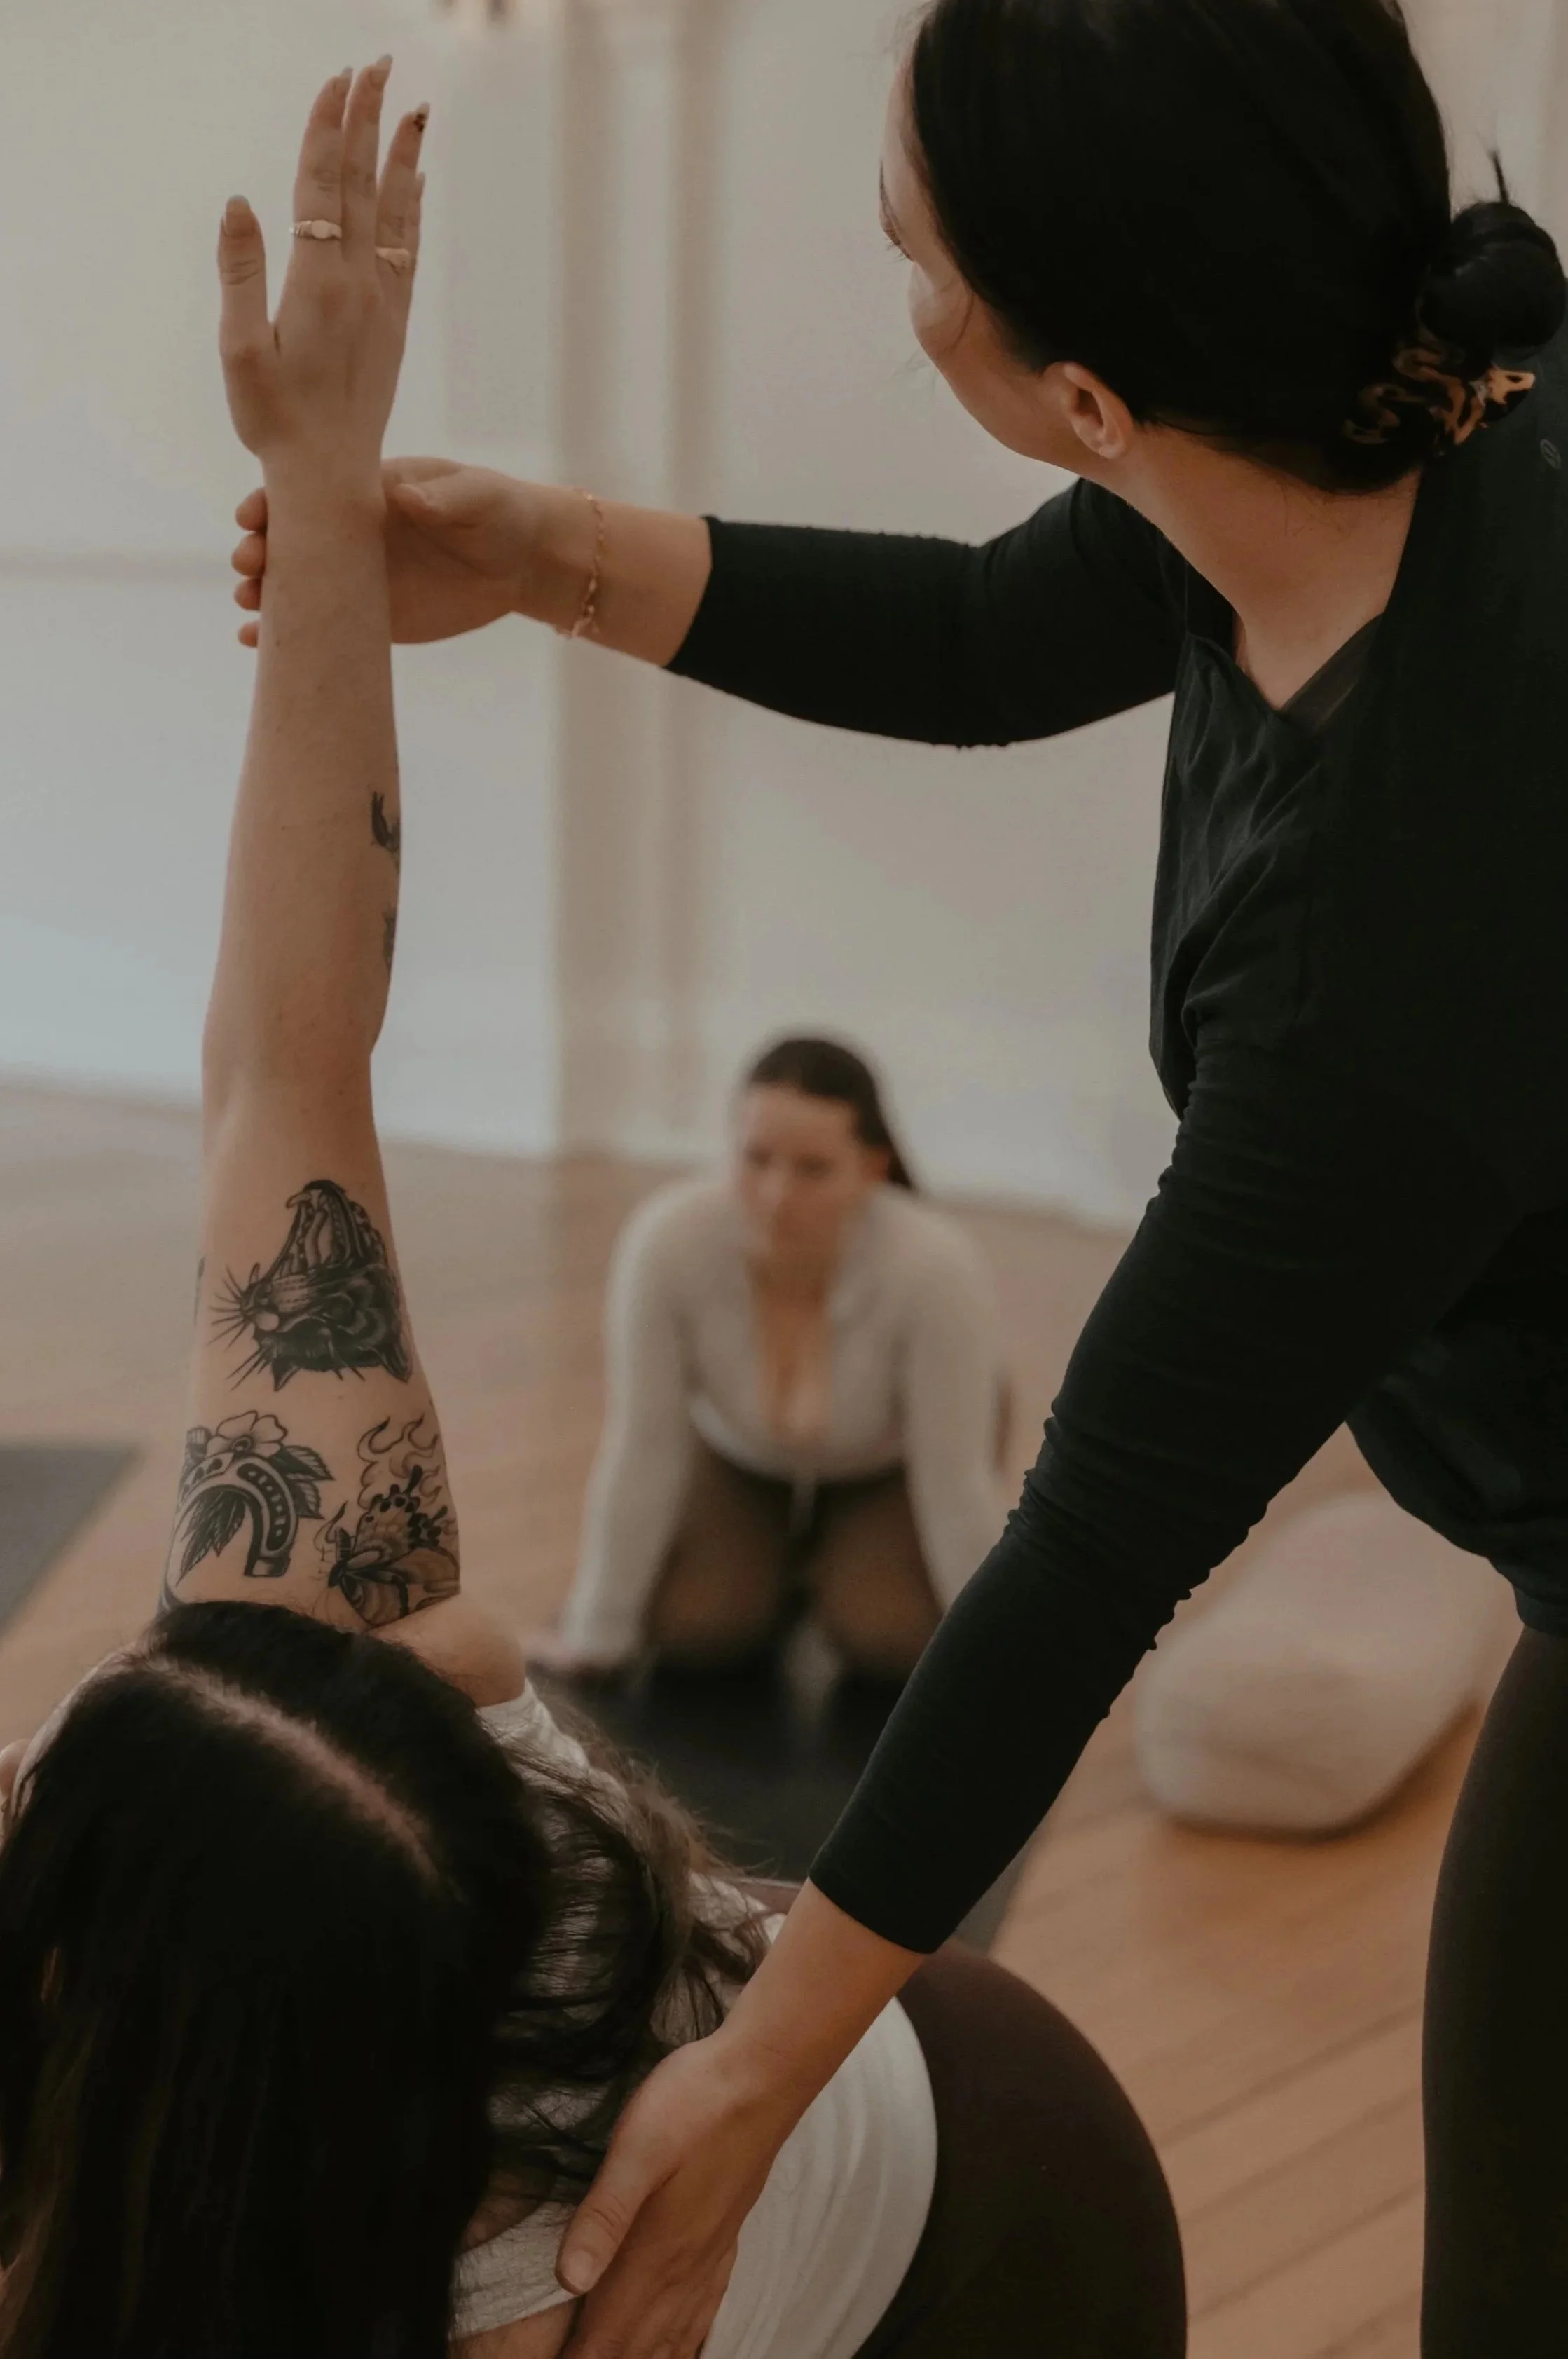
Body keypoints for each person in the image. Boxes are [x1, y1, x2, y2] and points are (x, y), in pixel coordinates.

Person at [232, 0, 1568, 2348]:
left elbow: (1085, 1546)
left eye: (914, 268)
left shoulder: (1391, 922)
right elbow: (975, 633)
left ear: (1081, 393)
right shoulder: (1379, 423)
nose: (896, 292)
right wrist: (531, 547)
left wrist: (750, 2071)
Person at [0, 61, 1190, 2359]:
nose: (15, 1767)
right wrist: (323, 506)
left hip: (1004, 2244)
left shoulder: (505, 2277)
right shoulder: (320, 1588)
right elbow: (287, 1054)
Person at [535, 1034, 1006, 1684]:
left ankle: (840, 1560)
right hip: (741, 1454)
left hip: (886, 1463)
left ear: (872, 1168)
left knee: (890, 1641)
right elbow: (642, 1446)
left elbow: (955, 1484)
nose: (777, 1195)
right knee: (695, 1632)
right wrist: (597, 1635)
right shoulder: (665, 1245)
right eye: (755, 1159)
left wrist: (997, 1667)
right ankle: (778, 1564)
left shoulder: (936, 1270)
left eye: (813, 1169)